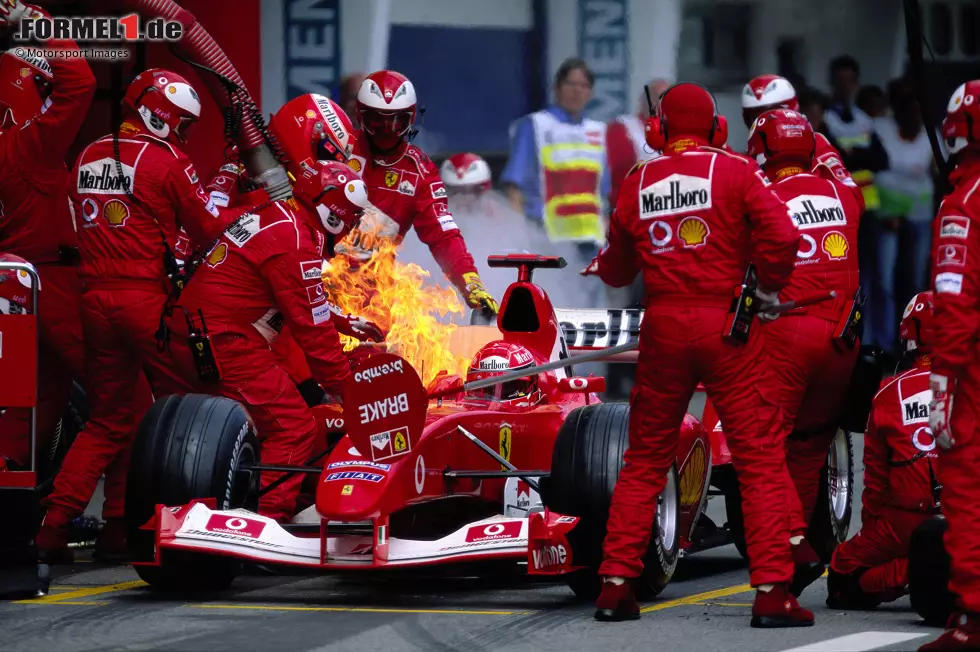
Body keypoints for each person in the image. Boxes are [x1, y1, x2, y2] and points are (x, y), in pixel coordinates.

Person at [583, 82, 808, 628]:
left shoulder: (638, 179)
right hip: (727, 328)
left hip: (662, 329)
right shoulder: (735, 171)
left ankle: (615, 585)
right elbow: (783, 237)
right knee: (756, 457)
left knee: (643, 460)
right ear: (716, 128)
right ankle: (773, 590)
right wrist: (769, 287)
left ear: (658, 130)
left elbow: (615, 269)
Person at [36, 68, 231, 562]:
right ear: (160, 115)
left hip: (92, 300)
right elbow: (207, 227)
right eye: (182, 124)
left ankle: (57, 527)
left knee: (109, 420)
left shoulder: (85, 154)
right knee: (188, 409)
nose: (183, 135)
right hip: (144, 301)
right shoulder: (167, 160)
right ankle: (181, 526)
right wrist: (234, 186)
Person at [171, 159, 374, 521]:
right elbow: (313, 331)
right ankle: (268, 521)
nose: (352, 228)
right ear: (334, 214)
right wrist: (350, 391)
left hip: (195, 332)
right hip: (223, 340)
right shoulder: (296, 239)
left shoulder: (283, 215)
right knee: (294, 427)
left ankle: (242, 504)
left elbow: (294, 297)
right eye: (353, 219)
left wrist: (346, 321)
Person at [746, 108, 865, 595]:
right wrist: (809, 135)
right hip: (844, 341)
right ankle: (797, 551)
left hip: (789, 336)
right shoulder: (846, 194)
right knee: (808, 447)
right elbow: (831, 159)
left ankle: (794, 544)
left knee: (764, 445)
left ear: (763, 151)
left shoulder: (759, 196)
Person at [0, 2, 95, 470]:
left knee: (29, 410)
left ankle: (28, 519)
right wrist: (41, 24)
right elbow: (81, 82)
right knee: (127, 405)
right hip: (50, 285)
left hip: (15, 289)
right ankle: (123, 524)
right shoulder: (29, 145)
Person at [334, 70, 497, 317]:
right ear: (360, 114)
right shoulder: (337, 148)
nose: (387, 130)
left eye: (396, 121)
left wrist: (470, 284)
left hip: (372, 299)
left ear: (410, 118)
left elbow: (443, 236)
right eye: (377, 120)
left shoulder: (420, 172)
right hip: (318, 282)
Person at [827, 291, 938, 610]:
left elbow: (875, 486)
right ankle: (951, 562)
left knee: (842, 574)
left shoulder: (888, 394)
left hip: (905, 521)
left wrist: (877, 535)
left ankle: (913, 570)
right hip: (968, 517)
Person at [920, 79, 980, 651]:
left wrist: (943, 381)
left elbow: (955, 303)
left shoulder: (963, 204)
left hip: (974, 368)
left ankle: (972, 618)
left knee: (966, 485)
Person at [501, 58, 609, 306]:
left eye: (583, 85)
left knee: (591, 313)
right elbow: (514, 186)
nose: (577, 90)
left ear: (590, 92)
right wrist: (520, 233)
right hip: (548, 236)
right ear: (557, 87)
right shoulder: (536, 126)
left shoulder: (597, 131)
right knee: (557, 308)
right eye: (571, 84)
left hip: (589, 240)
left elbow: (601, 191)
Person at [871, 79, 940, 351]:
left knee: (915, 282)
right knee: (883, 281)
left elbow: (939, 175)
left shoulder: (931, 134)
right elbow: (869, 172)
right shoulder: (881, 129)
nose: (912, 112)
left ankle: (913, 343)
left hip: (921, 217)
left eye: (916, 107)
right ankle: (884, 346)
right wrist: (882, 211)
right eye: (905, 106)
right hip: (884, 217)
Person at [740, 74, 859, 194]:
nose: (765, 123)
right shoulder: (745, 159)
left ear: (792, 112)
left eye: (772, 115)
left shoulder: (817, 144)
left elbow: (851, 193)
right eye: (756, 117)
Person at [607, 79, 670, 206]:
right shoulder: (624, 128)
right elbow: (618, 174)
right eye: (657, 97)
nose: (661, 104)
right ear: (643, 101)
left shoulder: (679, 136)